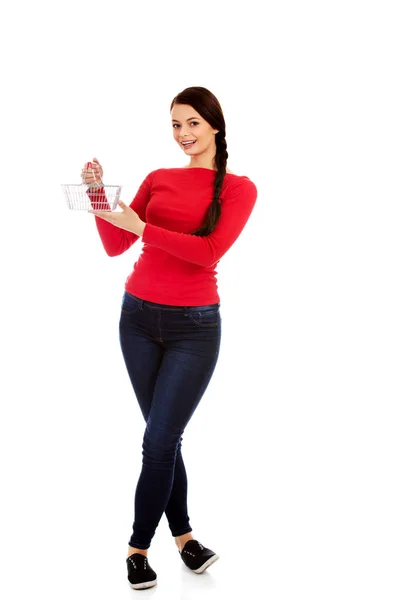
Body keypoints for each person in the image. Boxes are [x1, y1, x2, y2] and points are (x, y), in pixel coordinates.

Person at [81, 86, 258, 590]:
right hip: (135, 318)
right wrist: (97, 194)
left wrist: (143, 226)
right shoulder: (158, 178)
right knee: (165, 438)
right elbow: (118, 243)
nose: (183, 135)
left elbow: (208, 251)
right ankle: (185, 539)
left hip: (194, 328)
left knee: (157, 442)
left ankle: (137, 550)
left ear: (215, 126)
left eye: (192, 124)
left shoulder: (239, 188)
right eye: (175, 126)